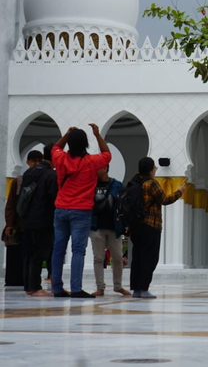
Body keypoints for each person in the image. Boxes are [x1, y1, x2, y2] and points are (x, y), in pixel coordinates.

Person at [51, 125, 111, 298]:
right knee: (78, 250)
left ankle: (57, 288)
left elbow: (55, 148)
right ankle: (76, 288)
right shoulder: (91, 162)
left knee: (58, 249)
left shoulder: (60, 158)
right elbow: (107, 155)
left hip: (61, 209)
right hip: (81, 211)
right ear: (85, 143)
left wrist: (66, 135)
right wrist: (98, 135)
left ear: (69, 143)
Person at [129, 157, 185, 298]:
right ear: (150, 170)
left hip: (136, 226)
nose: (155, 170)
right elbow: (164, 199)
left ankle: (136, 289)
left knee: (137, 257)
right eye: (154, 168)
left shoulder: (134, 182)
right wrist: (179, 192)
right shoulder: (151, 184)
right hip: (150, 226)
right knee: (150, 258)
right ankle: (144, 288)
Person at [20, 146, 58, 296]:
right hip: (43, 219)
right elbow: (54, 197)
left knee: (29, 253)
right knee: (38, 253)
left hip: (26, 218)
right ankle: (35, 287)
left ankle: (29, 287)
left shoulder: (29, 172)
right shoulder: (50, 175)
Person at [89, 166, 130, 296]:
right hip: (96, 227)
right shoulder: (91, 185)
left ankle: (118, 286)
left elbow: (124, 203)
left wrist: (125, 222)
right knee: (98, 258)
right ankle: (100, 287)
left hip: (114, 227)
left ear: (106, 168)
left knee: (117, 257)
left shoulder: (116, 185)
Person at [3, 167, 25, 287]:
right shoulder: (17, 182)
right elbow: (10, 204)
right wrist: (9, 224)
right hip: (18, 226)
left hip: (27, 226)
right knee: (15, 253)